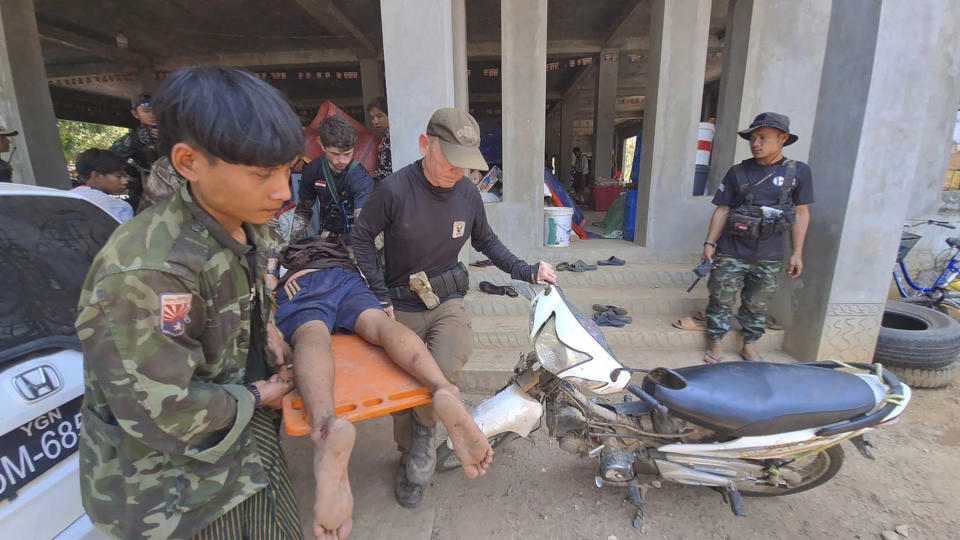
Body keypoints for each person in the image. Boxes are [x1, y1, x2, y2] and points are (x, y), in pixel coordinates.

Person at [76, 67, 304, 539]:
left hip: (242, 453)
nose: (283, 191)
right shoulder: (149, 272)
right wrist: (261, 395)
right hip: (177, 496)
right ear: (188, 161)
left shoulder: (241, 222)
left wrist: (269, 332)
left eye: (288, 170)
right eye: (262, 174)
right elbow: (165, 410)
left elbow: (246, 298)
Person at [351, 107, 557, 508]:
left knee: (444, 365)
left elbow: (486, 240)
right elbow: (361, 238)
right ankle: (407, 450)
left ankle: (425, 438)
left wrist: (526, 270)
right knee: (404, 385)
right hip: (402, 303)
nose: (458, 172)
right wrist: (377, 294)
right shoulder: (393, 191)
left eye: (466, 165)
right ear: (425, 145)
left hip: (446, 299)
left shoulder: (466, 193)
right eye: (451, 161)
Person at [272, 235, 494, 537]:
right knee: (380, 325)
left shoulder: (285, 255)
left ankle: (326, 426)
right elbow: (365, 267)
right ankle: (442, 387)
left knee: (310, 335)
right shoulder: (341, 253)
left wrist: (273, 295)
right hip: (346, 279)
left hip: (302, 284)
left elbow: (266, 278)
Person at [701, 112, 813, 363]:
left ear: (783, 138)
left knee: (758, 303)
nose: (756, 143)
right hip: (731, 249)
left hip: (770, 254)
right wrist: (709, 243)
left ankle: (749, 344)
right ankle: (716, 342)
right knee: (720, 297)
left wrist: (797, 252)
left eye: (763, 137)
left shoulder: (798, 173)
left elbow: (801, 213)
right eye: (753, 138)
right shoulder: (738, 173)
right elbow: (723, 209)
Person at [291, 115, 374, 241]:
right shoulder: (313, 169)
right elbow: (303, 211)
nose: (341, 160)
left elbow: (364, 222)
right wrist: (288, 243)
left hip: (358, 236)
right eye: (335, 154)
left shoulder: (360, 177)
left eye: (347, 154)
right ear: (322, 145)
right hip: (329, 236)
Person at [70, 148, 133, 223]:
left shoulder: (66, 199)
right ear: (96, 176)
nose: (124, 182)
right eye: (119, 176)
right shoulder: (119, 207)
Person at [367, 97, 392, 184]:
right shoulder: (386, 136)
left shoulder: (392, 137)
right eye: (372, 118)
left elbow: (389, 171)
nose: (376, 121)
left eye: (379, 116)